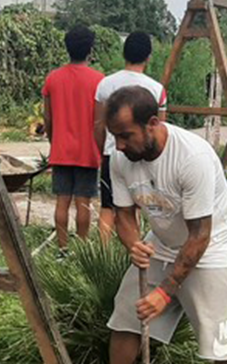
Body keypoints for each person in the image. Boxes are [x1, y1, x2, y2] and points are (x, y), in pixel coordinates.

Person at [87, 86, 227, 364]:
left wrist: (166, 292)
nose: (120, 145)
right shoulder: (121, 157)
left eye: (126, 135)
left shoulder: (191, 157)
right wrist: (132, 244)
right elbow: (125, 215)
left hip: (211, 246)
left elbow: (199, 236)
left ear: (153, 123)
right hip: (161, 241)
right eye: (115, 136)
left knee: (221, 336)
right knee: (127, 316)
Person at [93, 32, 167, 239]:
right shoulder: (156, 88)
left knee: (107, 207)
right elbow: (160, 127)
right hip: (142, 155)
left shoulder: (105, 84)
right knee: (136, 206)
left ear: (124, 54)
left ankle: (105, 256)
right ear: (148, 57)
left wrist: (103, 153)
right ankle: (133, 252)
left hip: (112, 153)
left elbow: (98, 125)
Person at [42, 26, 104, 258]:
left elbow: (47, 117)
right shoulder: (99, 80)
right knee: (83, 203)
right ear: (90, 49)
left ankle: (62, 249)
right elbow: (100, 121)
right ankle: (82, 249)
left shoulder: (53, 78)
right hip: (88, 151)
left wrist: (53, 140)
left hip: (61, 150)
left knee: (61, 201)